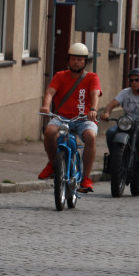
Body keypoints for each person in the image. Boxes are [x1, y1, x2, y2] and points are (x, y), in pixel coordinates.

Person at [39, 42, 101, 192]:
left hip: (84, 118)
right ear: (68, 60)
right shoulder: (60, 76)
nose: (76, 62)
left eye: (80, 59)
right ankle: (53, 164)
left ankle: (86, 177)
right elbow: (49, 92)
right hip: (62, 117)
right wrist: (46, 106)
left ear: (85, 62)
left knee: (91, 136)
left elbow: (95, 93)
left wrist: (93, 109)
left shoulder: (92, 77)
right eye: (73, 59)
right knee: (49, 132)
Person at [99, 68, 139, 178]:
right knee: (110, 132)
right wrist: (106, 113)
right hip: (127, 124)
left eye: (137, 80)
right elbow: (112, 104)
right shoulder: (125, 93)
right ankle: (115, 161)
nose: (133, 83)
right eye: (131, 80)